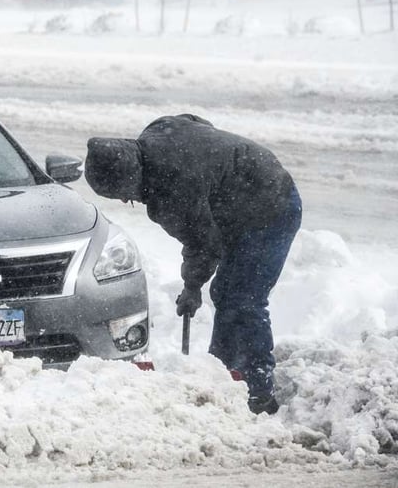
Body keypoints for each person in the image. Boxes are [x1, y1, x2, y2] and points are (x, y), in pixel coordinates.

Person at [84, 114, 301, 415]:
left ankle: (259, 390)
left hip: (272, 209)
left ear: (131, 180)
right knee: (226, 293)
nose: (124, 201)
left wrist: (191, 288)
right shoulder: (158, 130)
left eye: (121, 194)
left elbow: (203, 245)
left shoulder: (170, 192)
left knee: (244, 299)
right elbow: (196, 122)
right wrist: (217, 179)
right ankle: (222, 371)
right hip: (254, 191)